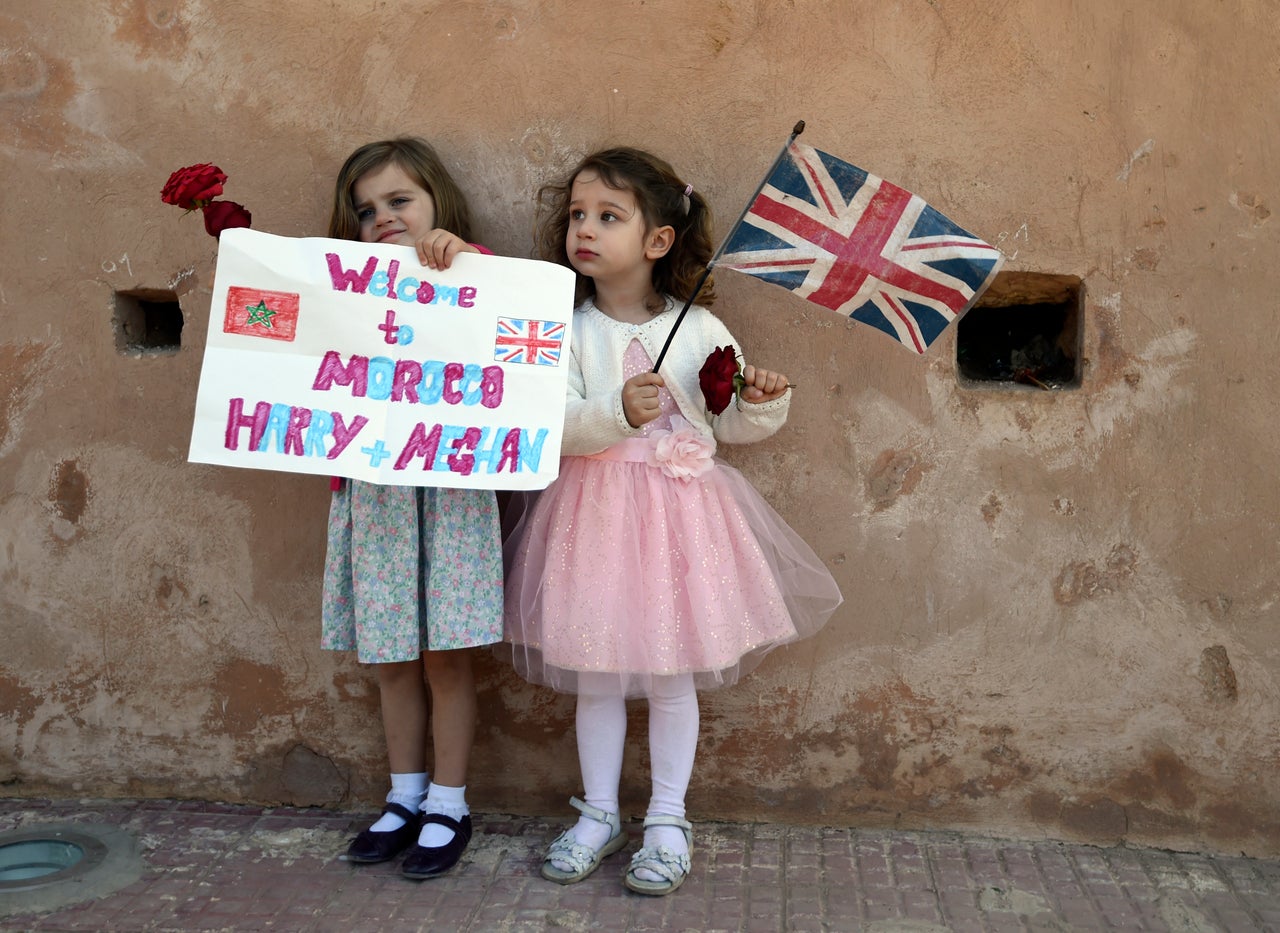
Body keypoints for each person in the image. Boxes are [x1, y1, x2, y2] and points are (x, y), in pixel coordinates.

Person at [503, 147, 842, 895]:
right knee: (595, 673)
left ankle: (665, 816)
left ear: (658, 241)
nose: (584, 230)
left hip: (682, 524)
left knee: (668, 673)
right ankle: (597, 812)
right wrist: (613, 411)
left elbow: (731, 426)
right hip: (592, 517)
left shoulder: (700, 330)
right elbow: (550, 420)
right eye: (577, 216)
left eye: (607, 217)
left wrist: (759, 399)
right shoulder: (564, 329)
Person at [322, 137, 502, 880]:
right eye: (366, 210)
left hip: (453, 490)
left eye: (400, 200)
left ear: (438, 203)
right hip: (376, 493)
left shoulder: (473, 268)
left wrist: (463, 258)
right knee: (392, 655)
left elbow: (512, 316)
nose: (383, 218)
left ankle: (450, 803)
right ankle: (404, 795)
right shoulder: (343, 286)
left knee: (446, 656)